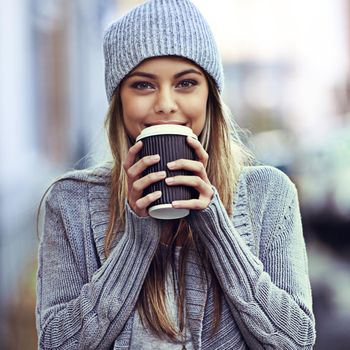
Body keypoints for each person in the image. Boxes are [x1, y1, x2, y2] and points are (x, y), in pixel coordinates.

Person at [36, 0, 316, 349]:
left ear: (210, 96)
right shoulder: (70, 202)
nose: (166, 104)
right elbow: (56, 344)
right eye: (143, 85)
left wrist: (215, 226)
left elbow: (296, 342)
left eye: (186, 83)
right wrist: (136, 241)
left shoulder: (270, 195)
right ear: (118, 100)